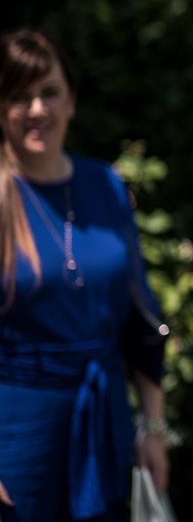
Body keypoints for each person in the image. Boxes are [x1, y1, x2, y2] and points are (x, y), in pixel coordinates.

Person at [0, 29, 169, 522]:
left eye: (49, 92)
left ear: (71, 101)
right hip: (17, 434)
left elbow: (140, 312)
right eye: (19, 96)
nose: (37, 109)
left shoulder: (105, 185)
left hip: (104, 424)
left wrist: (154, 426)